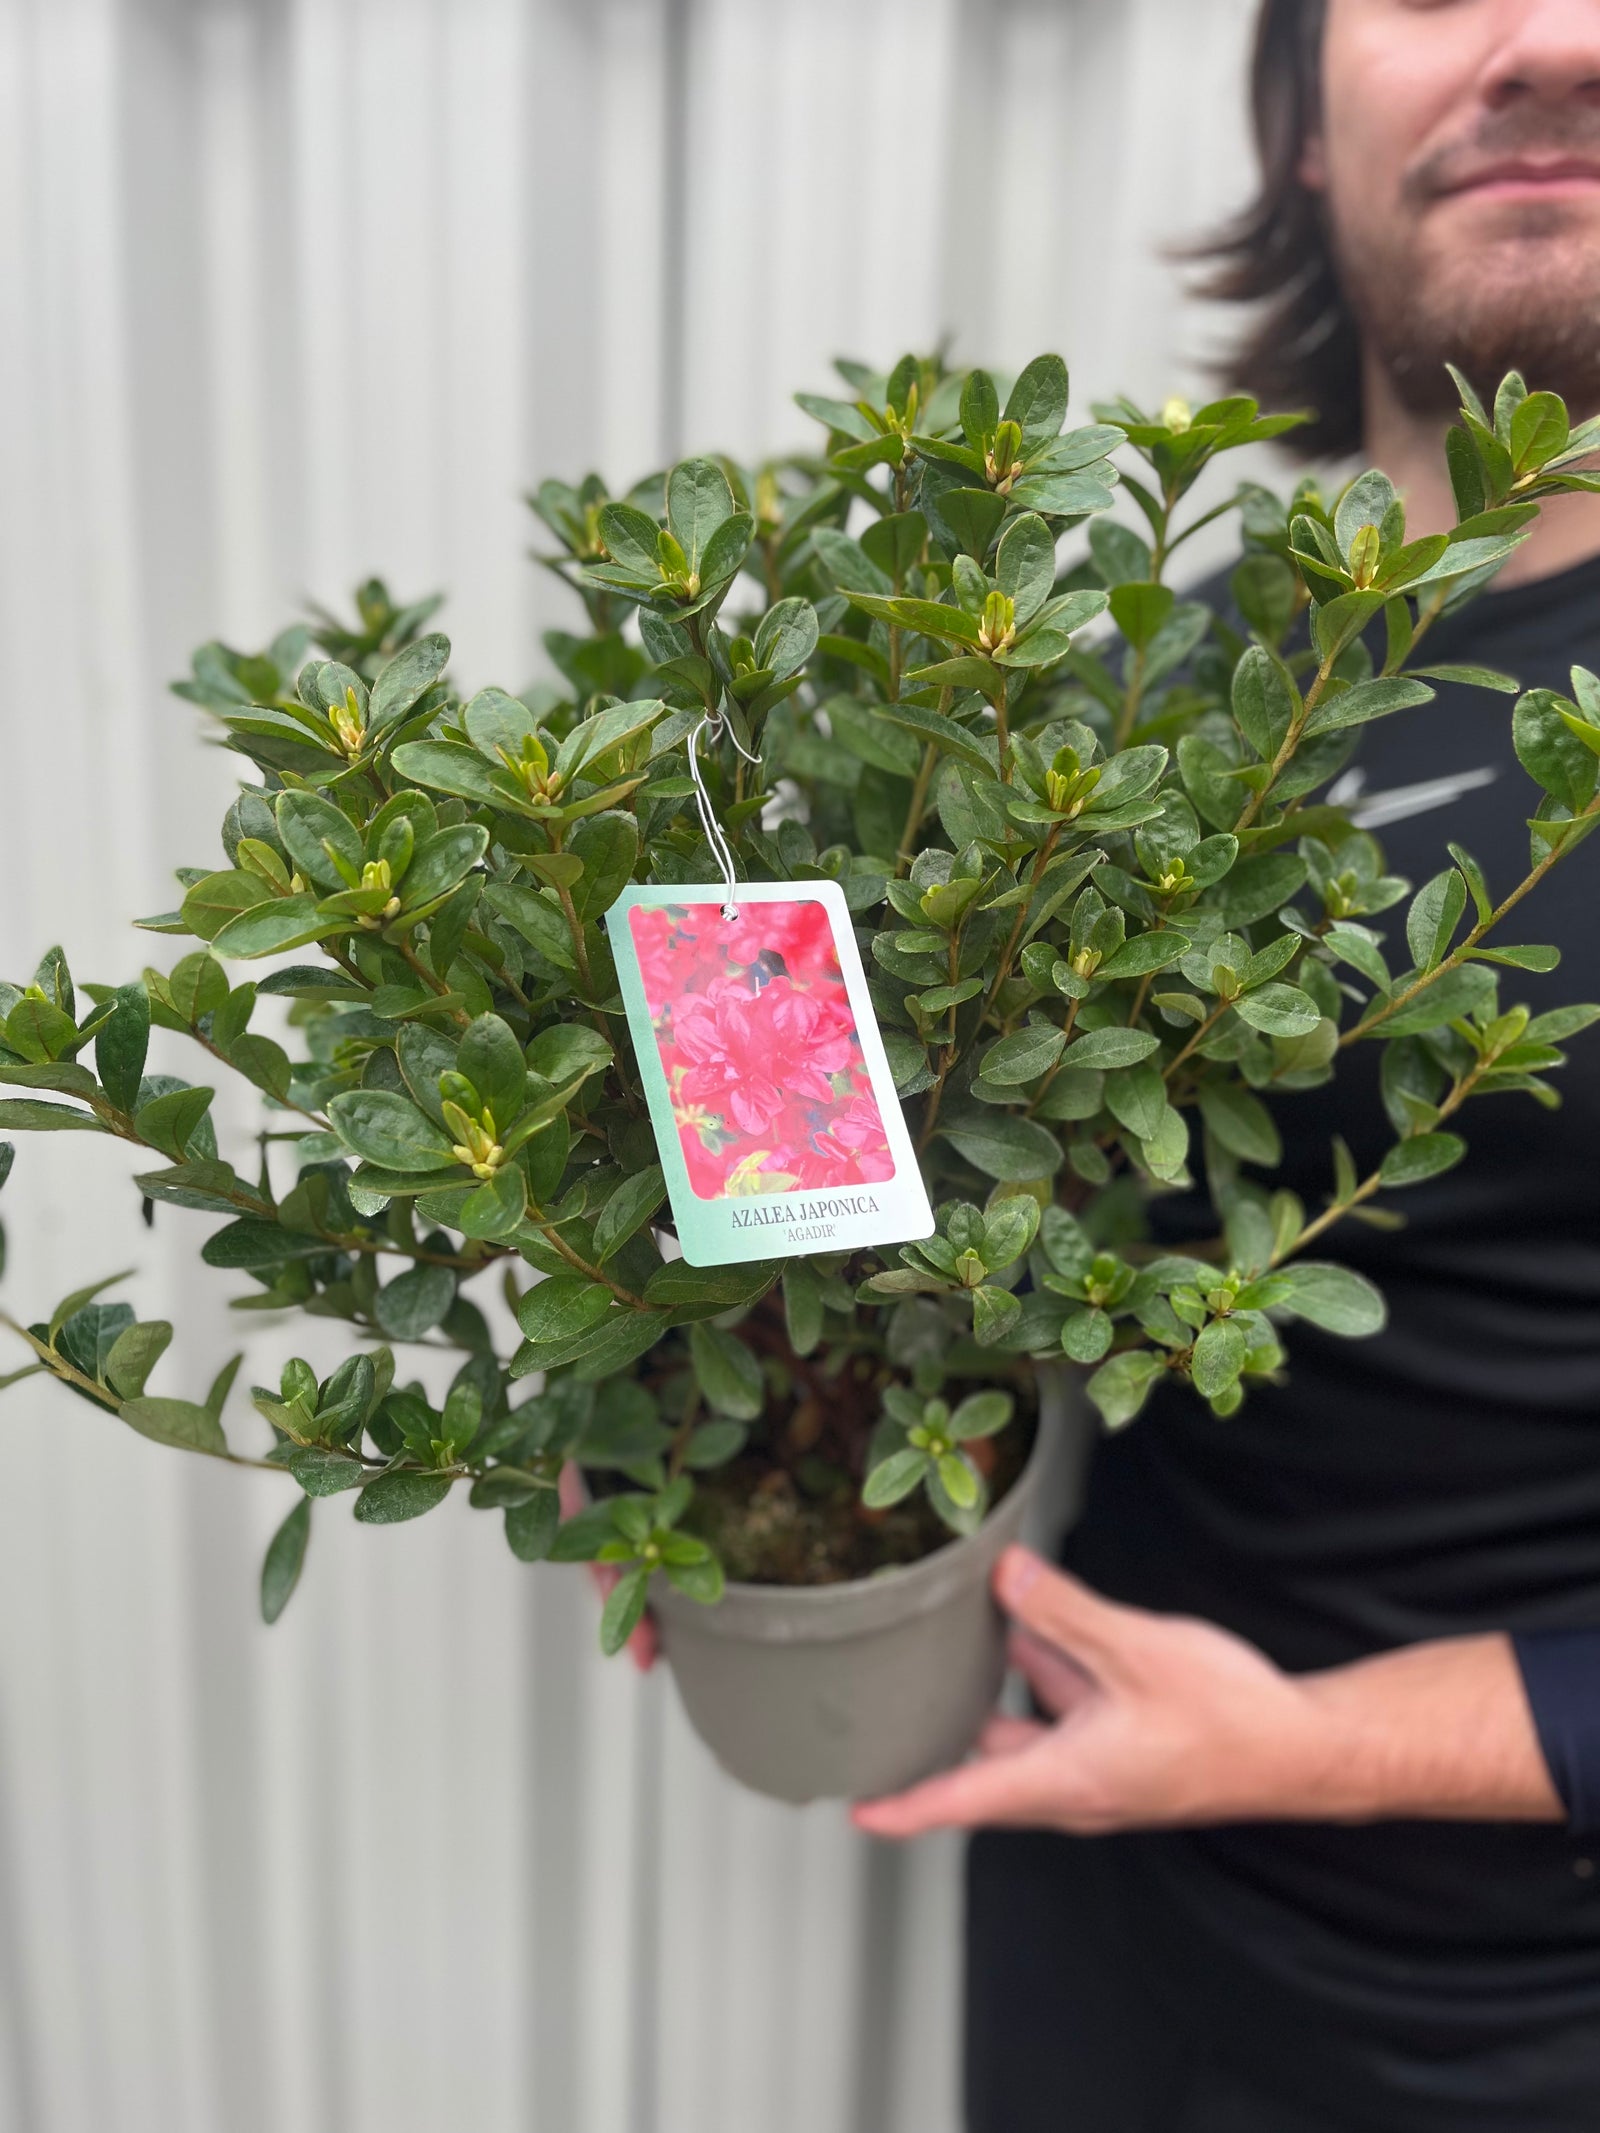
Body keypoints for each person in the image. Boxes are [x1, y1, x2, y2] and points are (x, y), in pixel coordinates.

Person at [851, 4, 1600, 2129]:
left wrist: (1310, 1739)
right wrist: (720, 1404)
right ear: (1294, 113)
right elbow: (952, 1214)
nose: (1543, 38)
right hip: (1114, 1917)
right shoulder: (1129, 690)